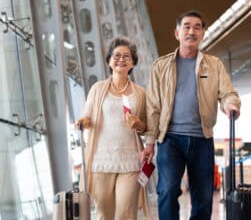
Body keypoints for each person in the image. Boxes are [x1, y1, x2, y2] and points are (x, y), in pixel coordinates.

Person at [141, 11, 241, 220]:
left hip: (202, 138)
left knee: (203, 198)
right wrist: (150, 142)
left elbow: (227, 92)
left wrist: (231, 104)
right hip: (170, 139)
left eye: (197, 27)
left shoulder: (213, 65)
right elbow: (153, 107)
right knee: (167, 191)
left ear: (203, 33)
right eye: (186, 26)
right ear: (177, 33)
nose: (192, 31)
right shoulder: (161, 66)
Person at [76, 36, 151, 220]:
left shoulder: (140, 93)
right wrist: (82, 122)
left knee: (126, 212)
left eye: (126, 56)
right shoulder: (97, 88)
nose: (121, 60)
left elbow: (148, 126)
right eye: (117, 55)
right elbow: (87, 115)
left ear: (133, 63)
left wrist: (138, 124)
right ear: (109, 60)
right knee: (104, 213)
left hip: (131, 160)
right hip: (101, 160)